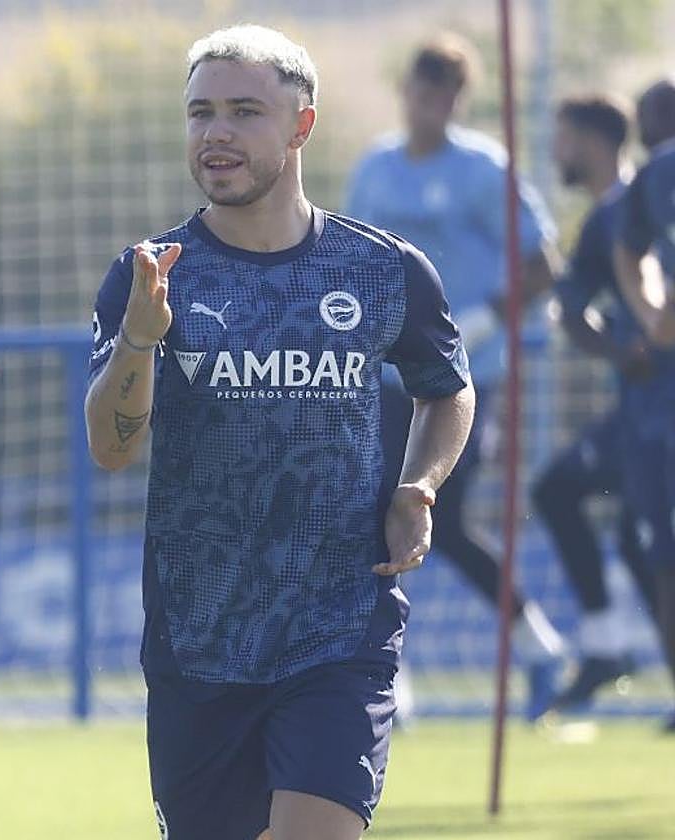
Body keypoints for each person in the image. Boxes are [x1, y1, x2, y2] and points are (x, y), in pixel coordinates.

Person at [86, 25, 473, 840]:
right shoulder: (150, 274)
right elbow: (112, 449)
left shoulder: (383, 269)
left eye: (243, 111)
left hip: (341, 629)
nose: (216, 132)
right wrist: (139, 341)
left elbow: (446, 390)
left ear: (302, 125)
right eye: (200, 113)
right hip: (199, 640)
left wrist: (419, 486)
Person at [345, 33, 566, 720]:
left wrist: (486, 318)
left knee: (440, 510)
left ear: (458, 101)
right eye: (422, 91)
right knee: (373, 515)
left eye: (445, 96)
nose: (430, 106)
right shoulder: (376, 168)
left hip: (465, 377)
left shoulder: (483, 169)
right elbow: (347, 257)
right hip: (386, 377)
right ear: (406, 92)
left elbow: (544, 262)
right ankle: (389, 673)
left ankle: (536, 642)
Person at [534, 94, 671, 712]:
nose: (556, 151)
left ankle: (608, 644)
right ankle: (606, 642)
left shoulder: (638, 200)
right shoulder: (611, 219)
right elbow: (570, 308)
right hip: (642, 408)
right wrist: (622, 352)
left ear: (593, 140)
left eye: (563, 137)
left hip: (654, 409)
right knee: (624, 526)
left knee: (642, 536)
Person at [613, 77, 675, 733]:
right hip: (661, 403)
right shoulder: (658, 176)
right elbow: (630, 248)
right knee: (662, 552)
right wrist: (653, 308)